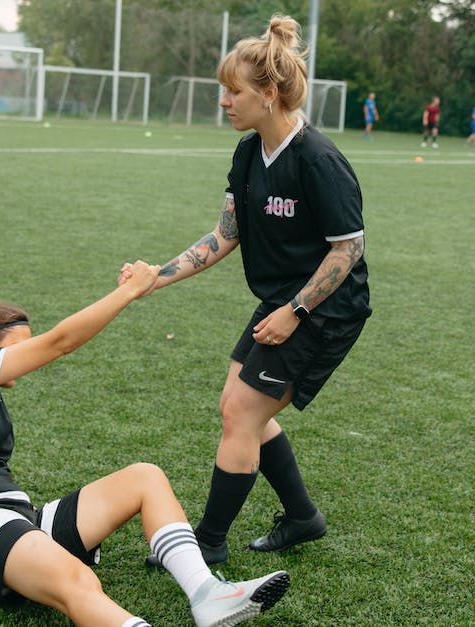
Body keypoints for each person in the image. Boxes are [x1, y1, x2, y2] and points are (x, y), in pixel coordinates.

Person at [0, 260, 291, 627]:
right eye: (18, 348)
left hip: (17, 516)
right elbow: (60, 343)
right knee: (81, 583)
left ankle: (207, 594)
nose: (27, 359)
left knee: (145, 477)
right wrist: (128, 291)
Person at [128, 14, 371, 568]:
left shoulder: (319, 160)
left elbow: (347, 250)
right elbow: (225, 235)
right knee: (240, 410)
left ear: (267, 94)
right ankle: (303, 516)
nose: (223, 102)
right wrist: (155, 276)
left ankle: (208, 542)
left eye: (232, 92)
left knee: (241, 412)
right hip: (284, 301)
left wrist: (296, 309)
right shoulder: (247, 153)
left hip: (325, 308)